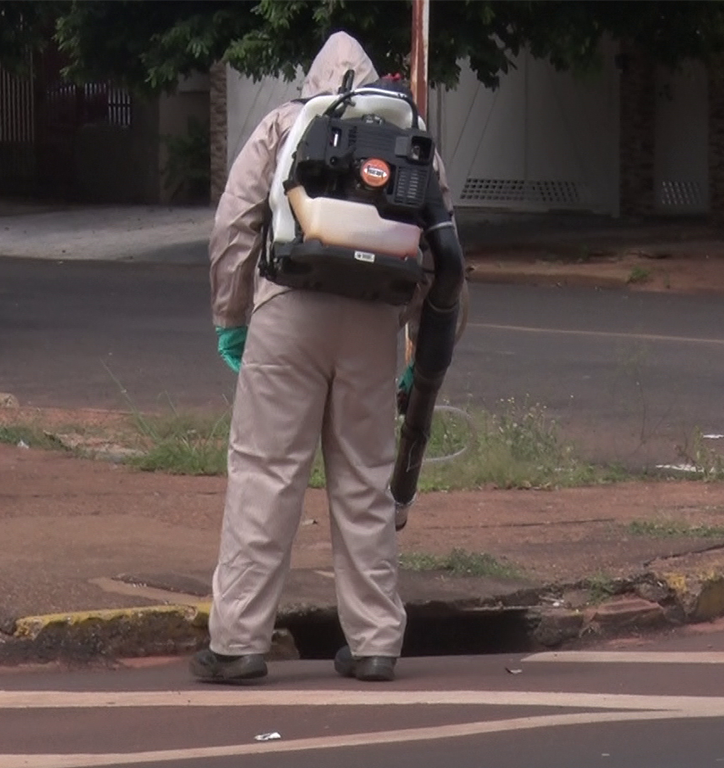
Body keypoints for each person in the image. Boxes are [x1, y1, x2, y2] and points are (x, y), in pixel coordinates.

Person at [192, 31, 456, 684]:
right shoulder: (409, 135)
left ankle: (237, 642)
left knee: (266, 471)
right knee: (365, 479)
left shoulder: (284, 125)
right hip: (374, 320)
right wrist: (416, 348)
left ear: (312, 83)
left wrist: (231, 318)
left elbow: (233, 227)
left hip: (288, 307)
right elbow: (442, 254)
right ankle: (375, 642)